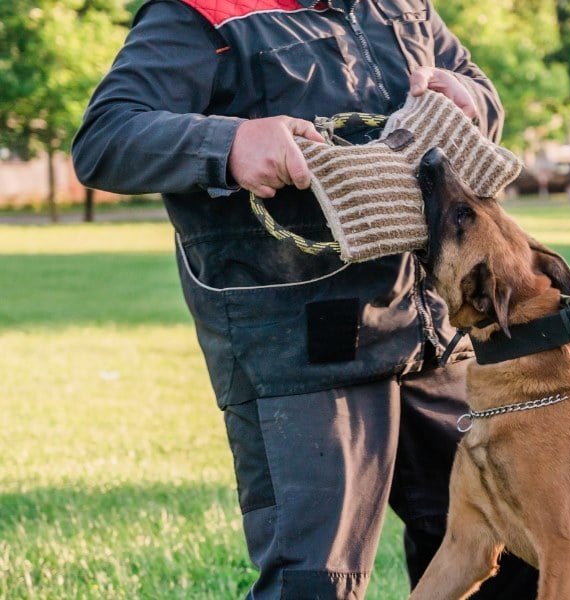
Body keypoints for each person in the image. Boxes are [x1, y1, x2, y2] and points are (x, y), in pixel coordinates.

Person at [71, 0, 539, 598]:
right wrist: (232, 142)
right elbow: (106, 138)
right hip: (302, 343)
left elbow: (474, 88)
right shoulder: (203, 13)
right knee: (317, 581)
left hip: (433, 329)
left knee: (509, 542)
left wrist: (473, 101)